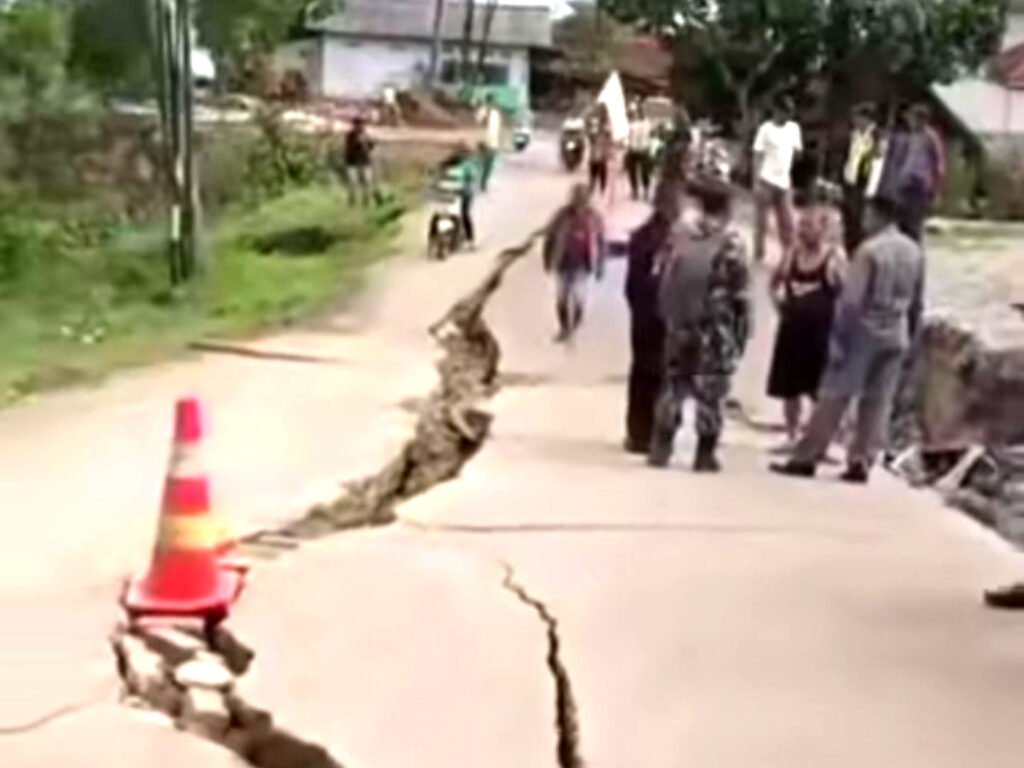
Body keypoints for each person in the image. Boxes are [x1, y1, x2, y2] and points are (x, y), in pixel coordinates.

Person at [770, 194, 925, 484]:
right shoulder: (913, 251)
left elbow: (851, 301)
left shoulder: (869, 251)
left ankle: (807, 456)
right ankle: (861, 460)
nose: (865, 220)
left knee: (834, 394)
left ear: (878, 215)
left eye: (868, 214)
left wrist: (839, 340)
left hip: (865, 330)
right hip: (896, 330)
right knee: (878, 401)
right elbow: (917, 300)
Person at [648, 181, 752, 472]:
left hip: (679, 323)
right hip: (714, 328)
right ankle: (704, 453)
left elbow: (661, 273)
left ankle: (662, 445)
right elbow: (740, 292)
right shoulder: (731, 243)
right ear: (727, 208)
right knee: (711, 390)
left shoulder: (681, 236)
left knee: (673, 384)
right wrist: (742, 331)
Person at [766, 203, 846, 447]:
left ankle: (816, 439)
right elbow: (773, 284)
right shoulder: (792, 254)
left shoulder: (834, 258)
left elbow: (847, 295)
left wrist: (841, 328)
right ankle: (791, 435)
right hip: (791, 332)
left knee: (819, 390)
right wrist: (779, 306)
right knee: (789, 389)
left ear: (822, 229)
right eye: (801, 225)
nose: (802, 231)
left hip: (820, 336)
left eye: (808, 226)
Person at [624, 182, 682, 454]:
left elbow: (631, 286)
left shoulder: (648, 237)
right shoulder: (670, 240)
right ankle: (649, 433)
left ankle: (642, 433)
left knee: (646, 374)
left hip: (649, 316)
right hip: (657, 316)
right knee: (658, 375)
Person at [543, 184, 607, 343]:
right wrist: (547, 259)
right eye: (577, 200)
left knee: (579, 296)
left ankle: (575, 326)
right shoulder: (561, 216)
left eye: (582, 201)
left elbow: (602, 243)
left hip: (583, 265)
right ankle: (564, 328)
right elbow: (549, 238)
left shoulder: (594, 218)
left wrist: (600, 265)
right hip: (563, 262)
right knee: (562, 297)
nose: (579, 205)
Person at [753, 99, 803, 262]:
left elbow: (798, 152)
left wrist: (789, 159)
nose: (787, 115)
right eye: (785, 112)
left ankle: (787, 256)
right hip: (766, 179)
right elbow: (757, 155)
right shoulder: (766, 129)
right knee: (761, 221)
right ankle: (758, 255)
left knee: (787, 222)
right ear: (776, 111)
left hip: (784, 182)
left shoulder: (794, 128)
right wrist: (756, 181)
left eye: (790, 112)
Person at [895, 103, 946, 243]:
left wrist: (936, 189)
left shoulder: (930, 137)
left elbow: (939, 164)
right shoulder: (909, 136)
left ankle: (915, 247)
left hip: (920, 183)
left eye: (914, 118)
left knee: (915, 222)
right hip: (904, 182)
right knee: (902, 221)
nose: (911, 121)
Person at [842, 103, 879, 253]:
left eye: (858, 117)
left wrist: (871, 187)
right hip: (850, 179)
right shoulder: (854, 134)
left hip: (864, 182)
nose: (855, 121)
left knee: (860, 218)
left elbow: (877, 162)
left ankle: (858, 249)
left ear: (866, 118)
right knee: (848, 216)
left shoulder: (876, 136)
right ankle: (849, 247)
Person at [437, 144, 478, 249]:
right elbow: (438, 173)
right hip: (449, 192)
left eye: (463, 153)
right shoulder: (448, 163)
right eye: (459, 152)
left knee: (464, 214)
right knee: (440, 213)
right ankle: (433, 237)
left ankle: (470, 239)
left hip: (464, 193)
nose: (461, 154)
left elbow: (472, 177)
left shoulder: (468, 165)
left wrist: (467, 184)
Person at [343, 116, 383, 207]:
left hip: (364, 160)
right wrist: (360, 143)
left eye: (362, 124)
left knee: (367, 181)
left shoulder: (365, 134)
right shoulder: (350, 135)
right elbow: (350, 149)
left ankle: (366, 200)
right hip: (353, 161)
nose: (361, 127)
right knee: (353, 182)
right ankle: (352, 200)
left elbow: (369, 147)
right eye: (358, 125)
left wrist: (371, 144)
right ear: (355, 125)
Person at [625, 102, 655, 201]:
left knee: (644, 172)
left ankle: (645, 191)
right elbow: (628, 135)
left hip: (643, 149)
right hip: (634, 149)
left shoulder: (648, 123)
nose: (640, 114)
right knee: (632, 171)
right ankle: (635, 190)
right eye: (639, 112)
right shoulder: (633, 123)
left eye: (641, 112)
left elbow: (653, 134)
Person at [476, 96, 502, 193]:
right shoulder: (482, 111)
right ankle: (478, 182)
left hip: (493, 143)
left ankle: (484, 183)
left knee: (489, 165)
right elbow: (477, 123)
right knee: (480, 163)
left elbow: (496, 129)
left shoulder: (496, 114)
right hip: (483, 142)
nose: (492, 104)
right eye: (490, 102)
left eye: (493, 102)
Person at [588, 106, 613, 197]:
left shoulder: (606, 123)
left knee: (601, 170)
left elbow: (609, 135)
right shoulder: (594, 121)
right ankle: (594, 188)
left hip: (601, 148)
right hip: (596, 148)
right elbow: (590, 135)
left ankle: (601, 189)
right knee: (595, 169)